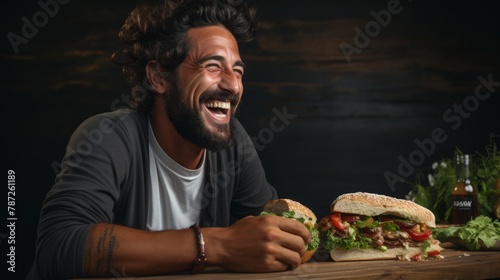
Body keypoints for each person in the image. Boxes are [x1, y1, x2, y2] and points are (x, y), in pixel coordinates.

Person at [27, 0, 311, 279]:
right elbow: (58, 245)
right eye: (213, 66)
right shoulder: (108, 137)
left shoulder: (234, 146)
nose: (233, 84)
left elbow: (271, 237)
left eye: (238, 71)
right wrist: (216, 245)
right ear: (159, 77)